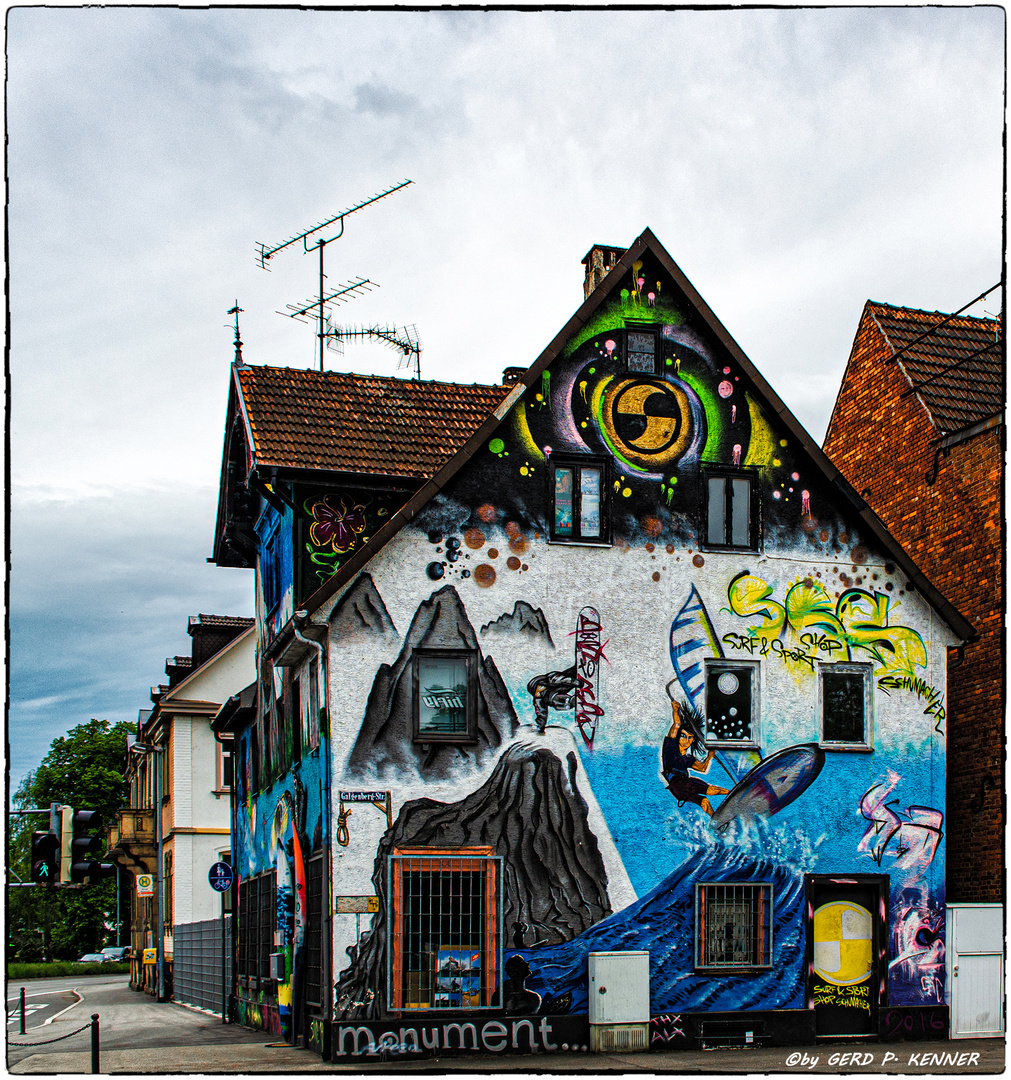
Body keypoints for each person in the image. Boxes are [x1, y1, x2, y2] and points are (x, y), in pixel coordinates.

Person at [661, 699, 729, 816]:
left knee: (704, 801)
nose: (686, 741)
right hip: (678, 784)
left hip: (682, 790)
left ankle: (715, 821)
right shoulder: (670, 749)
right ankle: (733, 792)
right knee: (707, 789)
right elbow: (677, 724)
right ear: (678, 737)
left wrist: (709, 756)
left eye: (690, 738)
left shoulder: (689, 759)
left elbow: (702, 769)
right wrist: (675, 710)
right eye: (683, 736)